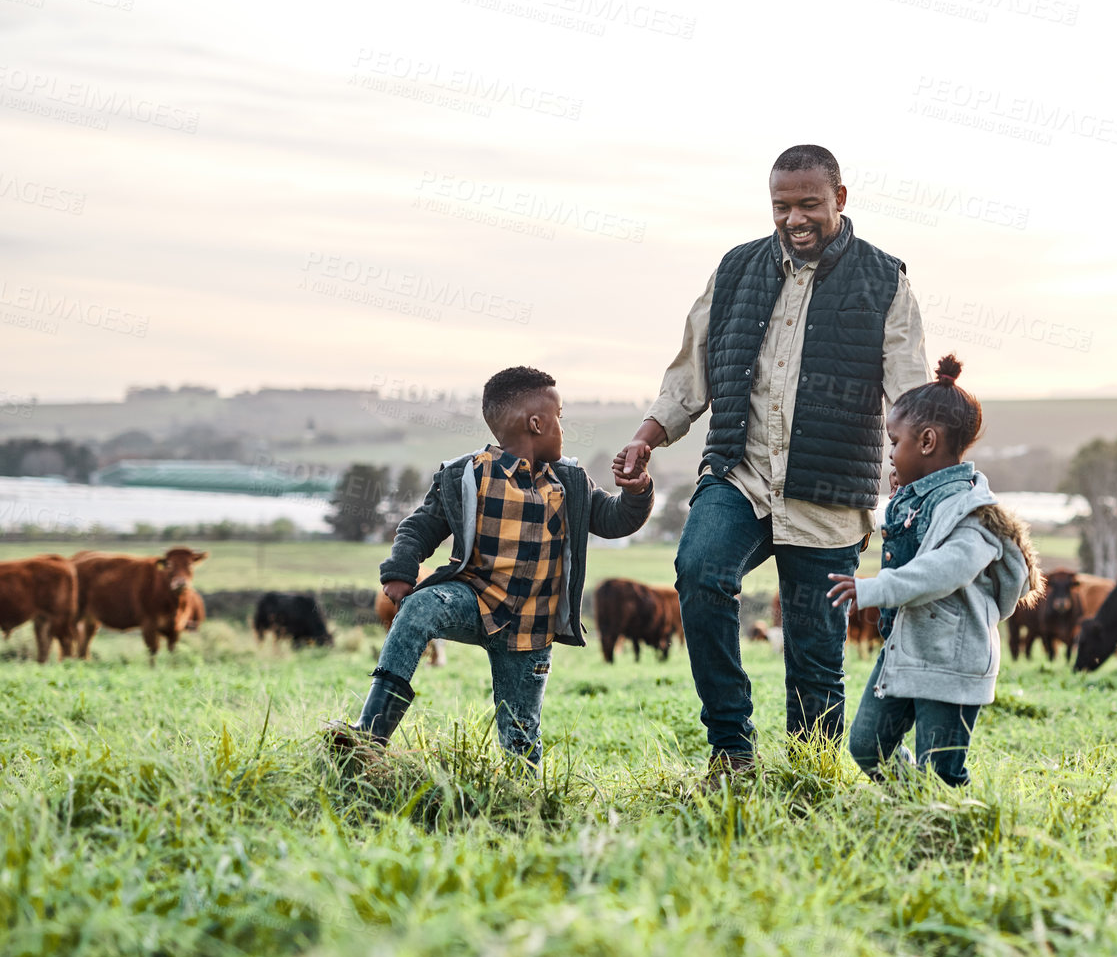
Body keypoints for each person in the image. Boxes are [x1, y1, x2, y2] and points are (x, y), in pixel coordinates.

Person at [613, 144, 928, 773]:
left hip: (829, 491)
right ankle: (731, 749)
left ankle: (810, 777)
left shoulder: (885, 279)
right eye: (781, 205)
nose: (794, 218)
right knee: (700, 571)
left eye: (809, 203)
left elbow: (909, 387)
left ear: (840, 197)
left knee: (816, 659)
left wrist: (912, 461)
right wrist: (647, 437)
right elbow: (691, 371)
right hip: (740, 472)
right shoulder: (735, 270)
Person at [328, 366, 653, 766]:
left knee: (520, 738)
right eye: (560, 418)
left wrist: (637, 492)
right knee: (418, 608)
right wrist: (400, 570)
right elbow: (421, 525)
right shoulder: (467, 474)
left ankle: (523, 801)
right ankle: (370, 736)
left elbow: (616, 520)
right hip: (474, 602)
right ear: (536, 423)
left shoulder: (570, 481)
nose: (563, 428)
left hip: (532, 630)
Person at [827, 356, 1043, 786]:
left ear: (926, 441)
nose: (890, 453)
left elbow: (943, 571)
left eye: (894, 441)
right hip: (905, 651)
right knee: (868, 747)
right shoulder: (915, 500)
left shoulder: (972, 515)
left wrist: (876, 588)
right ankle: (915, 803)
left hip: (951, 662)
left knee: (942, 769)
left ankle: (943, 822)